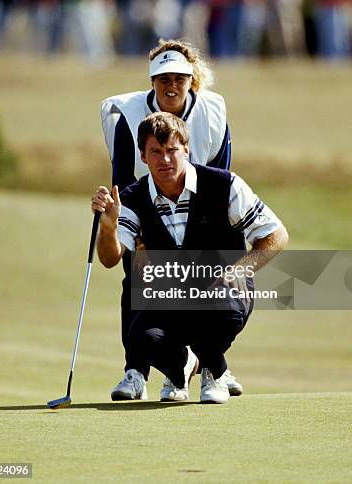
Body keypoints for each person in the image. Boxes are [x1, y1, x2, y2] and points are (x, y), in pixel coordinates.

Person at [91, 112, 289, 403]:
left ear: (186, 149)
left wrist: (241, 269)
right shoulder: (132, 198)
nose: (165, 159)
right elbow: (110, 258)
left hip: (224, 290)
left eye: (172, 150)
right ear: (143, 157)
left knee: (219, 309)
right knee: (142, 339)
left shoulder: (224, 185)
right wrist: (108, 228)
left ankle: (213, 371)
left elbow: (276, 234)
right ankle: (184, 365)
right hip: (170, 294)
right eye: (155, 152)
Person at [100, 39, 239, 399]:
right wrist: (139, 234)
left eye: (179, 78)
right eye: (164, 79)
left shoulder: (213, 111)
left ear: (191, 80)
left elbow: (219, 176)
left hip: (200, 207)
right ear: (153, 83)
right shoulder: (128, 115)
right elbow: (122, 180)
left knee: (204, 288)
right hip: (142, 203)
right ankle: (136, 372)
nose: (171, 85)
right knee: (137, 282)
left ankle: (210, 365)